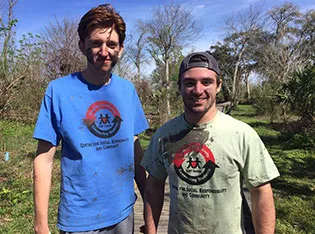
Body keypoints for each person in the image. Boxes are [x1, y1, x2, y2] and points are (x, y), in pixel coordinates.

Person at [33, 4, 148, 234]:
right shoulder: (59, 91)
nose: (104, 51)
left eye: (111, 44)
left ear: (121, 49)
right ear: (82, 45)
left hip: (123, 213)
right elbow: (44, 160)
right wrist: (40, 225)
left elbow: (134, 151)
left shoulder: (127, 91)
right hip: (79, 219)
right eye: (96, 43)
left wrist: (150, 209)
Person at [141, 51, 280, 234]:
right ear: (180, 87)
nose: (198, 91)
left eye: (206, 82)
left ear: (219, 85)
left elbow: (261, 191)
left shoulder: (242, 134)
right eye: (189, 83)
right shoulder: (164, 135)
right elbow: (154, 186)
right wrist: (151, 231)